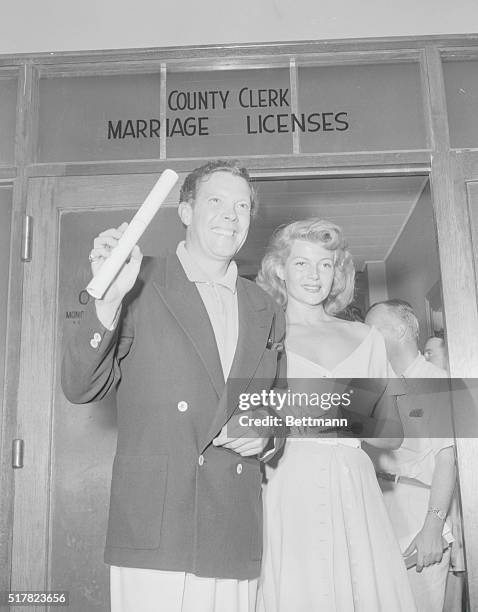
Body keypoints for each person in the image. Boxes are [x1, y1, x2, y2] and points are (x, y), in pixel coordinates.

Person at [61, 160, 287, 612]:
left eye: (241, 205)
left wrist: (266, 435)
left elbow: (275, 406)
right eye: (216, 201)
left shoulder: (266, 306)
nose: (230, 214)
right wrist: (108, 301)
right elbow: (79, 386)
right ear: (185, 212)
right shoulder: (138, 281)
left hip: (232, 523)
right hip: (155, 523)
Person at [256, 219, 417, 612]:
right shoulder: (262, 338)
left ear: (338, 272)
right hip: (288, 482)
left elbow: (393, 433)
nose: (314, 276)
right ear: (280, 269)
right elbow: (245, 424)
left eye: (325, 265)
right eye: (301, 264)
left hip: (353, 483)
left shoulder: (365, 338)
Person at [365, 300, 457, 612]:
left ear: (402, 330)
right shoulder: (378, 385)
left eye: (372, 331)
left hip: (420, 513)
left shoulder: (438, 382)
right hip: (383, 509)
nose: (366, 339)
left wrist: (432, 528)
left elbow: (448, 458)